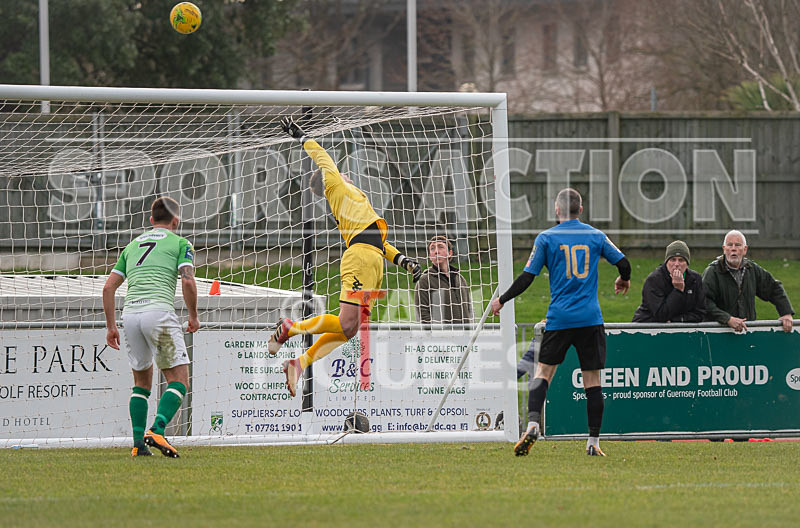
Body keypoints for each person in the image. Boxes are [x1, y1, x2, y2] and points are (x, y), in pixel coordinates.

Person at [270, 117, 421, 397]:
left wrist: (403, 261)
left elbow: (379, 240)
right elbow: (323, 156)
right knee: (346, 323)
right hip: (361, 259)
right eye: (340, 173)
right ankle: (291, 327)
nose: (345, 174)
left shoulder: (353, 198)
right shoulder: (335, 185)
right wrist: (300, 136)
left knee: (350, 329)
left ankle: (298, 362)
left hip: (373, 259)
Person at [490, 188, 631, 457]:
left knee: (542, 373)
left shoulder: (546, 238)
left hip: (560, 319)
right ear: (581, 210)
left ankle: (532, 424)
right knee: (593, 381)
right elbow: (624, 263)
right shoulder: (595, 235)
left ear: (557, 210)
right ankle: (593, 442)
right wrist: (623, 279)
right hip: (590, 319)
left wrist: (502, 299)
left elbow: (527, 277)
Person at [103, 196, 199, 458]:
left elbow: (109, 287)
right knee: (179, 381)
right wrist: (193, 316)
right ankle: (157, 430)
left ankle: (138, 445)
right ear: (176, 221)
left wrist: (111, 327)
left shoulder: (132, 245)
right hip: (158, 314)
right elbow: (188, 281)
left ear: (151, 220)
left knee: (141, 384)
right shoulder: (180, 242)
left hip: (130, 316)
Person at [702, 230, 794, 333]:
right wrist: (727, 319)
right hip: (718, 334)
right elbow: (704, 301)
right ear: (724, 249)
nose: (733, 249)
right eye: (729, 245)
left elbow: (773, 288)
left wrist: (786, 313)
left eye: (737, 245)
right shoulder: (712, 272)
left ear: (745, 249)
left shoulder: (752, 269)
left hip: (747, 333)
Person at [632, 240, 706, 323]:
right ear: (667, 262)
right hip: (649, 328)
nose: (677, 264)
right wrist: (678, 290)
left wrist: (675, 320)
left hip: (682, 328)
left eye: (681, 260)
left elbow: (700, 313)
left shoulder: (695, 279)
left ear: (687, 264)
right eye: (673, 259)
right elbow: (661, 315)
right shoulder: (654, 280)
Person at [414, 235, 474, 325]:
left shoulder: (460, 279)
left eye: (441, 247)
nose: (436, 251)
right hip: (440, 337)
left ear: (450, 253)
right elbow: (423, 315)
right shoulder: (424, 280)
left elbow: (469, 309)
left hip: (464, 336)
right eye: (432, 249)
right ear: (430, 256)